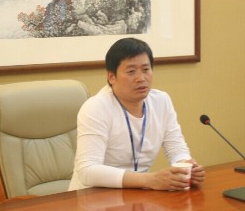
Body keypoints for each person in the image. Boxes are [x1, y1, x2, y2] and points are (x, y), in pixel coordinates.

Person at [69, 37, 205, 191]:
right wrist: (150, 179)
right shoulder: (96, 108)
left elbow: (176, 149)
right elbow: (87, 171)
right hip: (93, 197)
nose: (141, 78)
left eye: (146, 70)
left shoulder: (161, 101)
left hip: (138, 192)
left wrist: (186, 167)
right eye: (131, 72)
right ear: (111, 77)